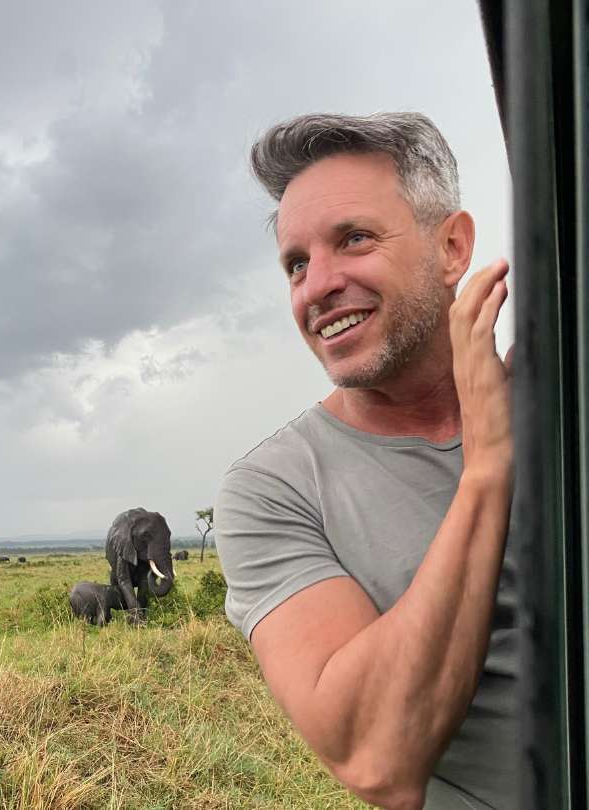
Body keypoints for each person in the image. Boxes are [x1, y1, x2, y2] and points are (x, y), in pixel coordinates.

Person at [214, 113, 517, 810]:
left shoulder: (558, 392)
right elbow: (378, 758)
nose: (316, 286)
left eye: (353, 239)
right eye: (296, 264)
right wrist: (487, 468)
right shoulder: (272, 488)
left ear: (452, 247)